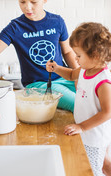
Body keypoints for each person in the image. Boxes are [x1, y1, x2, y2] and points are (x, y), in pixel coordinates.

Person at [46, 22, 111, 176]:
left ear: (95, 55)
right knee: (95, 164)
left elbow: (107, 112)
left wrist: (82, 127)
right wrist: (56, 68)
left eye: (79, 55)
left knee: (92, 170)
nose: (75, 58)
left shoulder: (103, 82)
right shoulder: (84, 69)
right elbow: (70, 75)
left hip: (94, 137)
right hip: (86, 132)